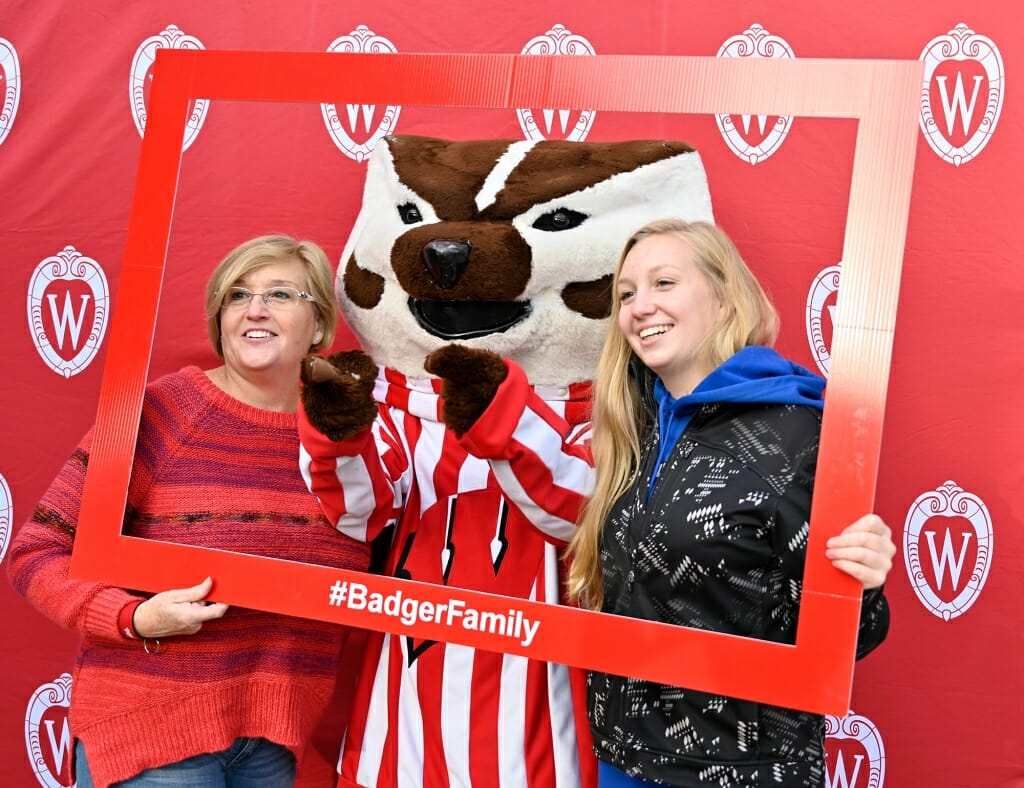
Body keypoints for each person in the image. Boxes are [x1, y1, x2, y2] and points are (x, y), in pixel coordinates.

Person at [8, 235, 372, 788]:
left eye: (279, 293)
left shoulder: (354, 435)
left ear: (318, 324)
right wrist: (132, 619)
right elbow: (38, 550)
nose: (254, 309)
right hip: (152, 735)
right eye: (236, 296)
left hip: (278, 742)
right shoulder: (165, 413)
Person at [565, 219, 895, 787]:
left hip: (739, 772)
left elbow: (845, 641)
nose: (640, 306)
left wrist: (862, 586)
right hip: (622, 760)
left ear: (723, 300)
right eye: (626, 293)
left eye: (664, 283)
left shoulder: (794, 434)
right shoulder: (631, 430)